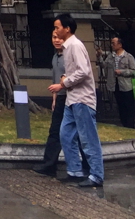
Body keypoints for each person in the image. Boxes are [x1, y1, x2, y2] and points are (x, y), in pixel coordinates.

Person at [49, 13, 104, 188]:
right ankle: (75, 171)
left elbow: (83, 71)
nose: (55, 31)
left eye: (58, 27)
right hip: (71, 100)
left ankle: (96, 175)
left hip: (82, 99)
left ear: (67, 28)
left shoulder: (75, 45)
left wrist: (64, 83)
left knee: (88, 138)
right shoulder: (67, 47)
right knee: (65, 135)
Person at [33, 29, 89, 178]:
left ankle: (87, 166)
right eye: (53, 37)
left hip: (73, 97)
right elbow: (55, 79)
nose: (56, 40)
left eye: (59, 38)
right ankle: (49, 164)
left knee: (79, 132)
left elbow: (77, 74)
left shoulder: (70, 55)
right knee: (55, 131)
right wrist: (54, 98)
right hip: (60, 98)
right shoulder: (55, 57)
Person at [100, 36, 135, 128]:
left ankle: (130, 125)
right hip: (115, 84)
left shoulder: (128, 56)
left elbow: (134, 70)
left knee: (128, 105)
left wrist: (122, 72)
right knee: (120, 106)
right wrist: (100, 56)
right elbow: (104, 65)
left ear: (120, 45)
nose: (112, 45)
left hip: (126, 85)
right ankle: (124, 124)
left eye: (113, 43)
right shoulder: (111, 56)